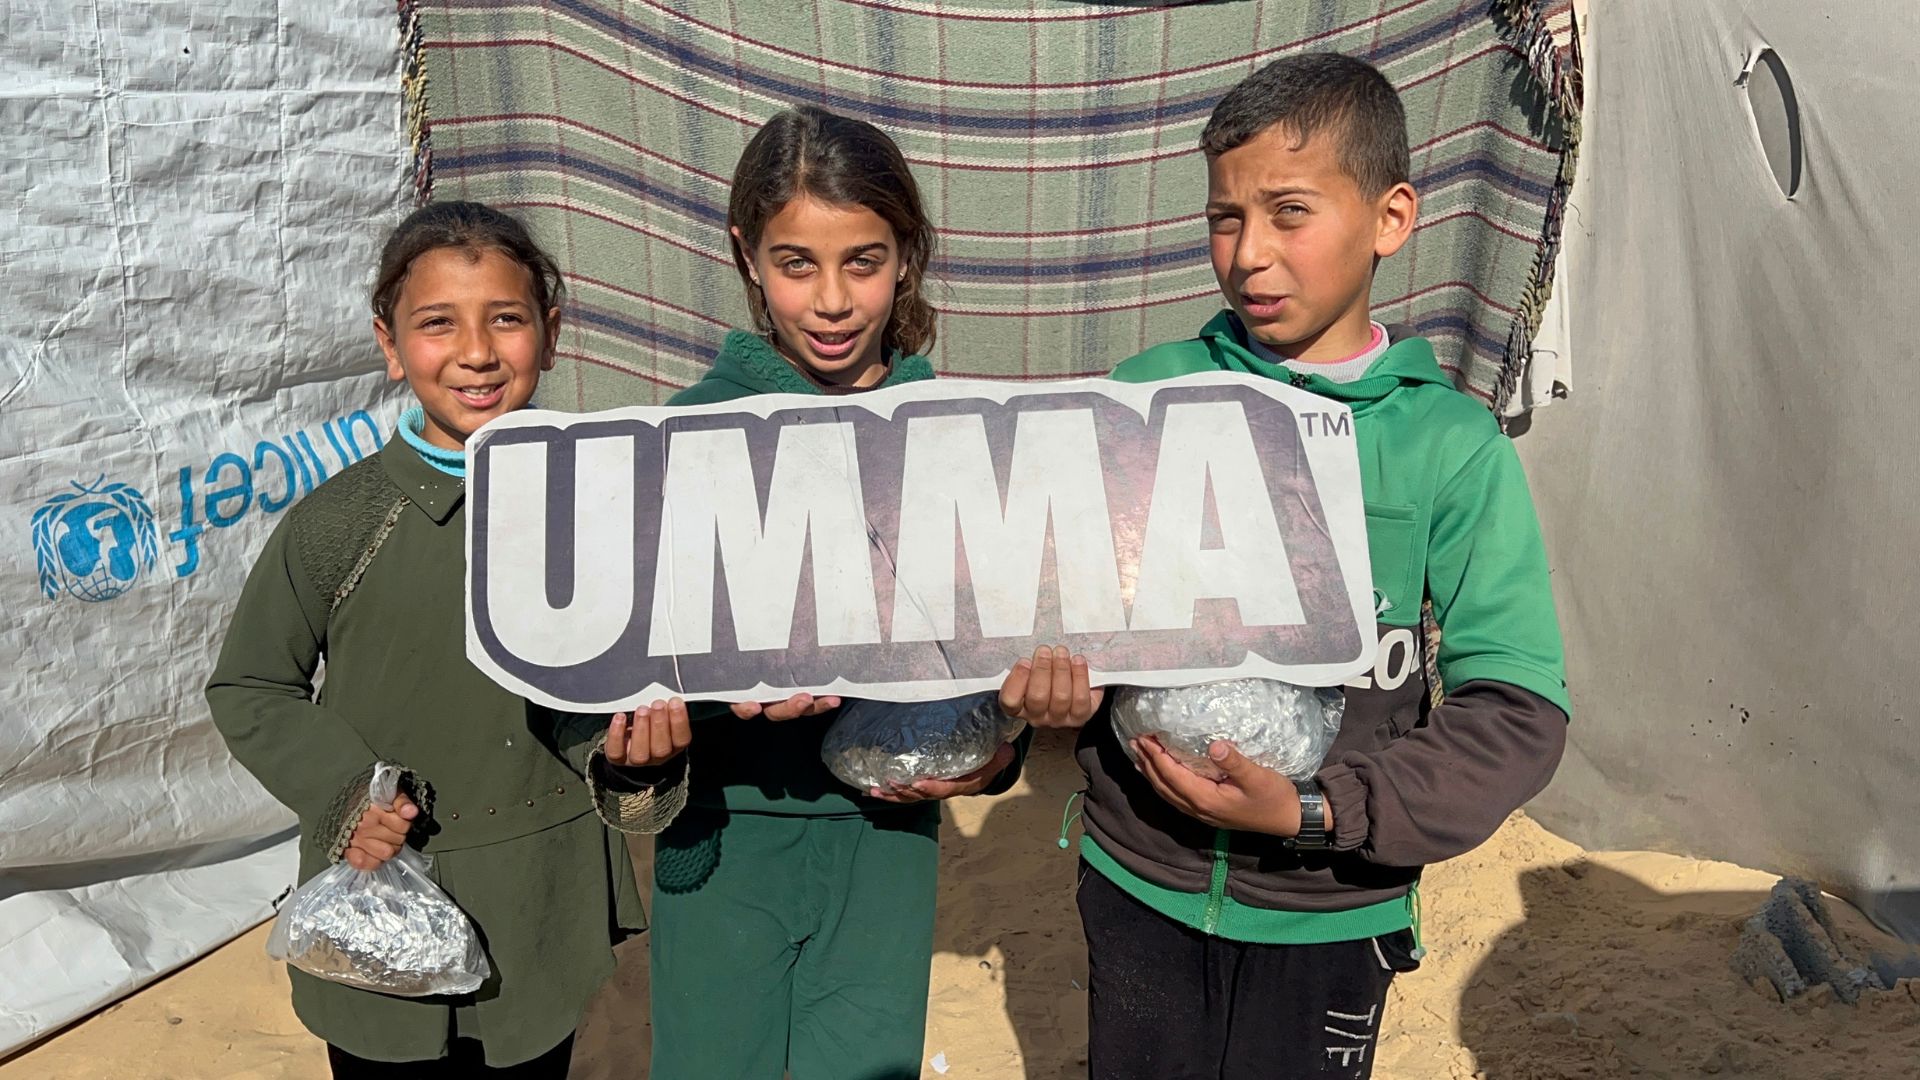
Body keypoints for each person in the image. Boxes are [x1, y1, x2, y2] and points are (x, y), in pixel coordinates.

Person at [1008, 53, 1571, 1080]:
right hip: (1138, 881)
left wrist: (1314, 812)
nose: (1250, 254)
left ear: (1390, 218)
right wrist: (1055, 698)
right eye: (1226, 217)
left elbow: (1518, 712)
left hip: (1331, 914)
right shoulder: (1142, 398)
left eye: (1290, 212)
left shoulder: (1452, 447)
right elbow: (1063, 617)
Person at [205, 201, 692, 1079]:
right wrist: (349, 795)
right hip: (380, 885)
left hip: (539, 893)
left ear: (550, 333)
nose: (476, 351)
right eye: (437, 324)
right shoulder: (338, 524)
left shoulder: (605, 514)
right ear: (390, 344)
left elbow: (616, 705)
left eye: (506, 318)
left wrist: (635, 764)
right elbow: (250, 686)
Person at [646, 104, 1031, 1080]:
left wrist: (995, 753)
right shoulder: (679, 439)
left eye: (861, 261)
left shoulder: (957, 437)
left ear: (908, 254)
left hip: (886, 840)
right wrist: (643, 745)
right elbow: (619, 671)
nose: (830, 299)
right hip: (720, 837)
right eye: (796, 263)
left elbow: (994, 662)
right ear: (747, 254)